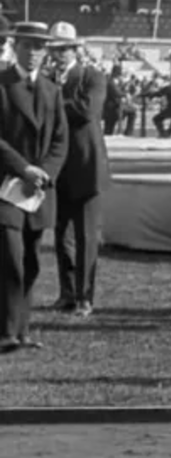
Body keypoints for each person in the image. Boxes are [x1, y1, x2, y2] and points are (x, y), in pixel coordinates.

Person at [0, 22, 69, 353]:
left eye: (40, 47)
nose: (34, 53)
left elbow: (61, 139)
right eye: (28, 46)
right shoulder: (1, 84)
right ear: (15, 47)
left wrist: (45, 172)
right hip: (6, 189)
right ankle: (6, 331)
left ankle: (22, 331)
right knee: (9, 260)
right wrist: (22, 167)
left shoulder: (51, 90)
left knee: (31, 262)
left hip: (38, 191)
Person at [47, 21, 110, 317]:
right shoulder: (48, 79)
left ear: (75, 49)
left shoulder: (92, 76)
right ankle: (67, 292)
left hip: (86, 167)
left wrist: (52, 103)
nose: (58, 54)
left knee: (86, 236)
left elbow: (87, 111)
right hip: (59, 168)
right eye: (55, 49)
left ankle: (85, 296)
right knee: (63, 235)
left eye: (63, 49)